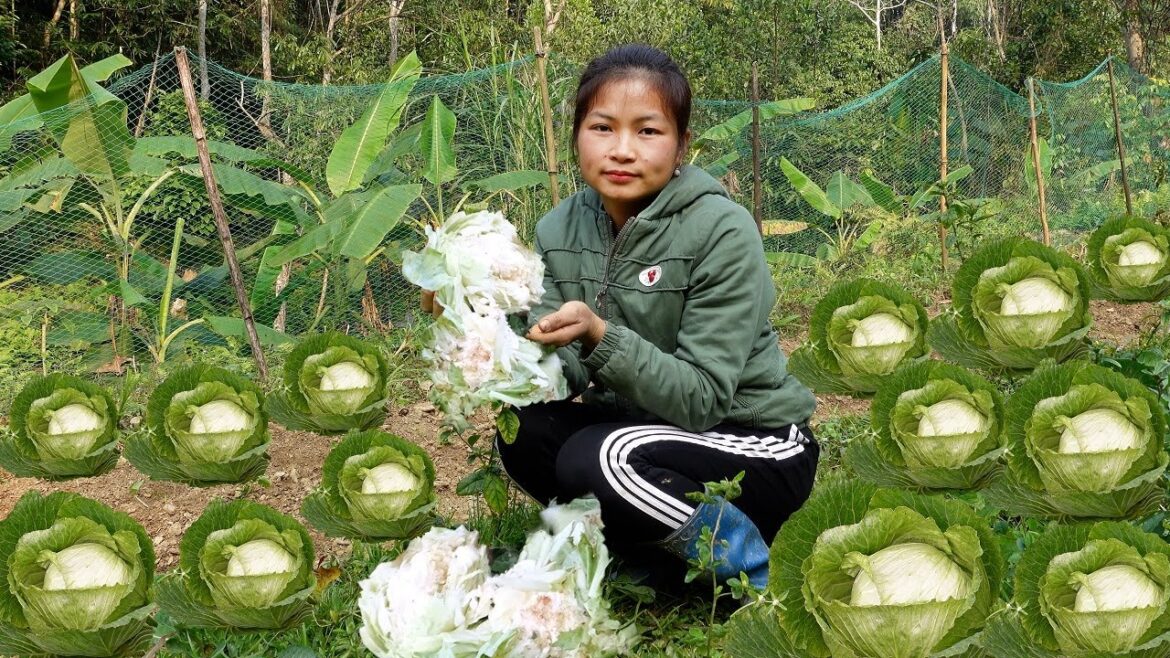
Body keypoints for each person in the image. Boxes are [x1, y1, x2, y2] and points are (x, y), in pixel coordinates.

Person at [427, 44, 818, 590]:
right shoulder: (560, 229)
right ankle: (654, 560)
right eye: (603, 128)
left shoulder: (721, 231)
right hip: (650, 436)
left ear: (681, 145)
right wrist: (481, 319)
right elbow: (562, 370)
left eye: (648, 131)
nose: (622, 150)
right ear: (577, 137)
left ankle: (753, 573)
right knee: (527, 434)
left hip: (753, 442)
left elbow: (703, 399)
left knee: (600, 458)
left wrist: (599, 335)